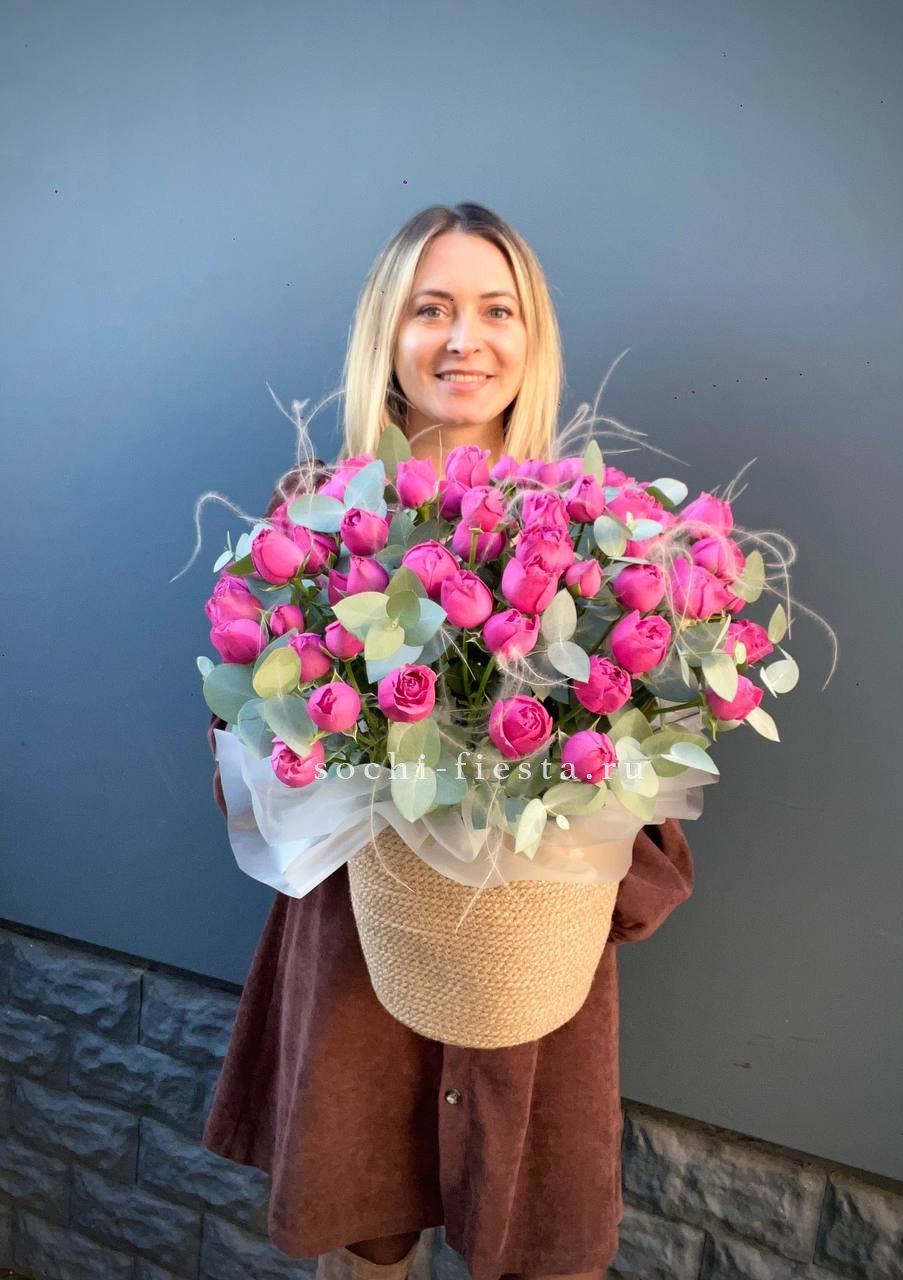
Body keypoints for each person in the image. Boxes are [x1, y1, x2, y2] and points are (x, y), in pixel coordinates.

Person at [202, 202, 695, 1280]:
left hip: (535, 966)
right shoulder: (314, 521)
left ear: (531, 335)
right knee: (362, 1246)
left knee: (532, 1241)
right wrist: (330, 775)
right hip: (358, 962)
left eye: (494, 310)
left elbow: (660, 758)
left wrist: (615, 877)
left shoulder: (599, 532)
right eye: (430, 309)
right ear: (387, 332)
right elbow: (241, 747)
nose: (463, 339)